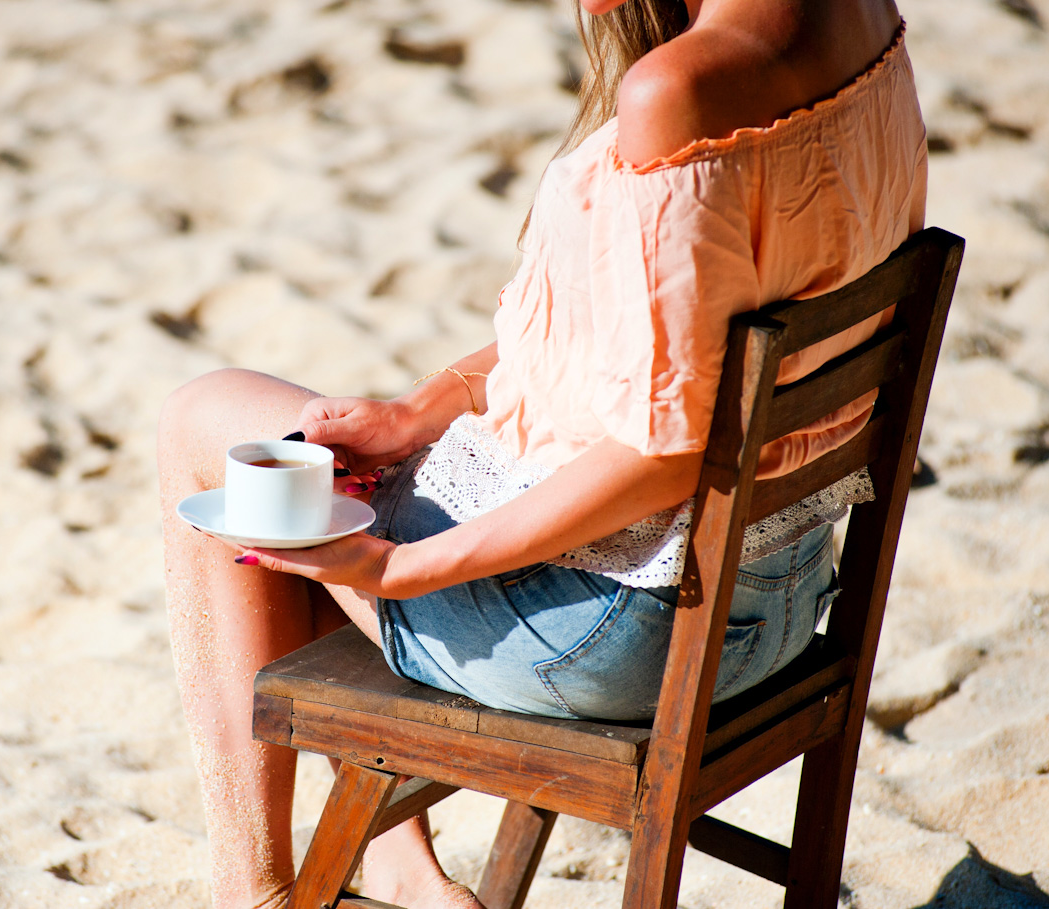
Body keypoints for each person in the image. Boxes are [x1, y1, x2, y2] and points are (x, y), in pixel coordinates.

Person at [157, 0, 925, 906]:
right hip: (785, 603)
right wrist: (420, 410)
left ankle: (252, 891)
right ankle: (406, 872)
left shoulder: (676, 92)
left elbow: (664, 453)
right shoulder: (860, 16)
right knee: (322, 476)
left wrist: (401, 567)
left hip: (628, 631)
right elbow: (676, 359)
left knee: (206, 430)